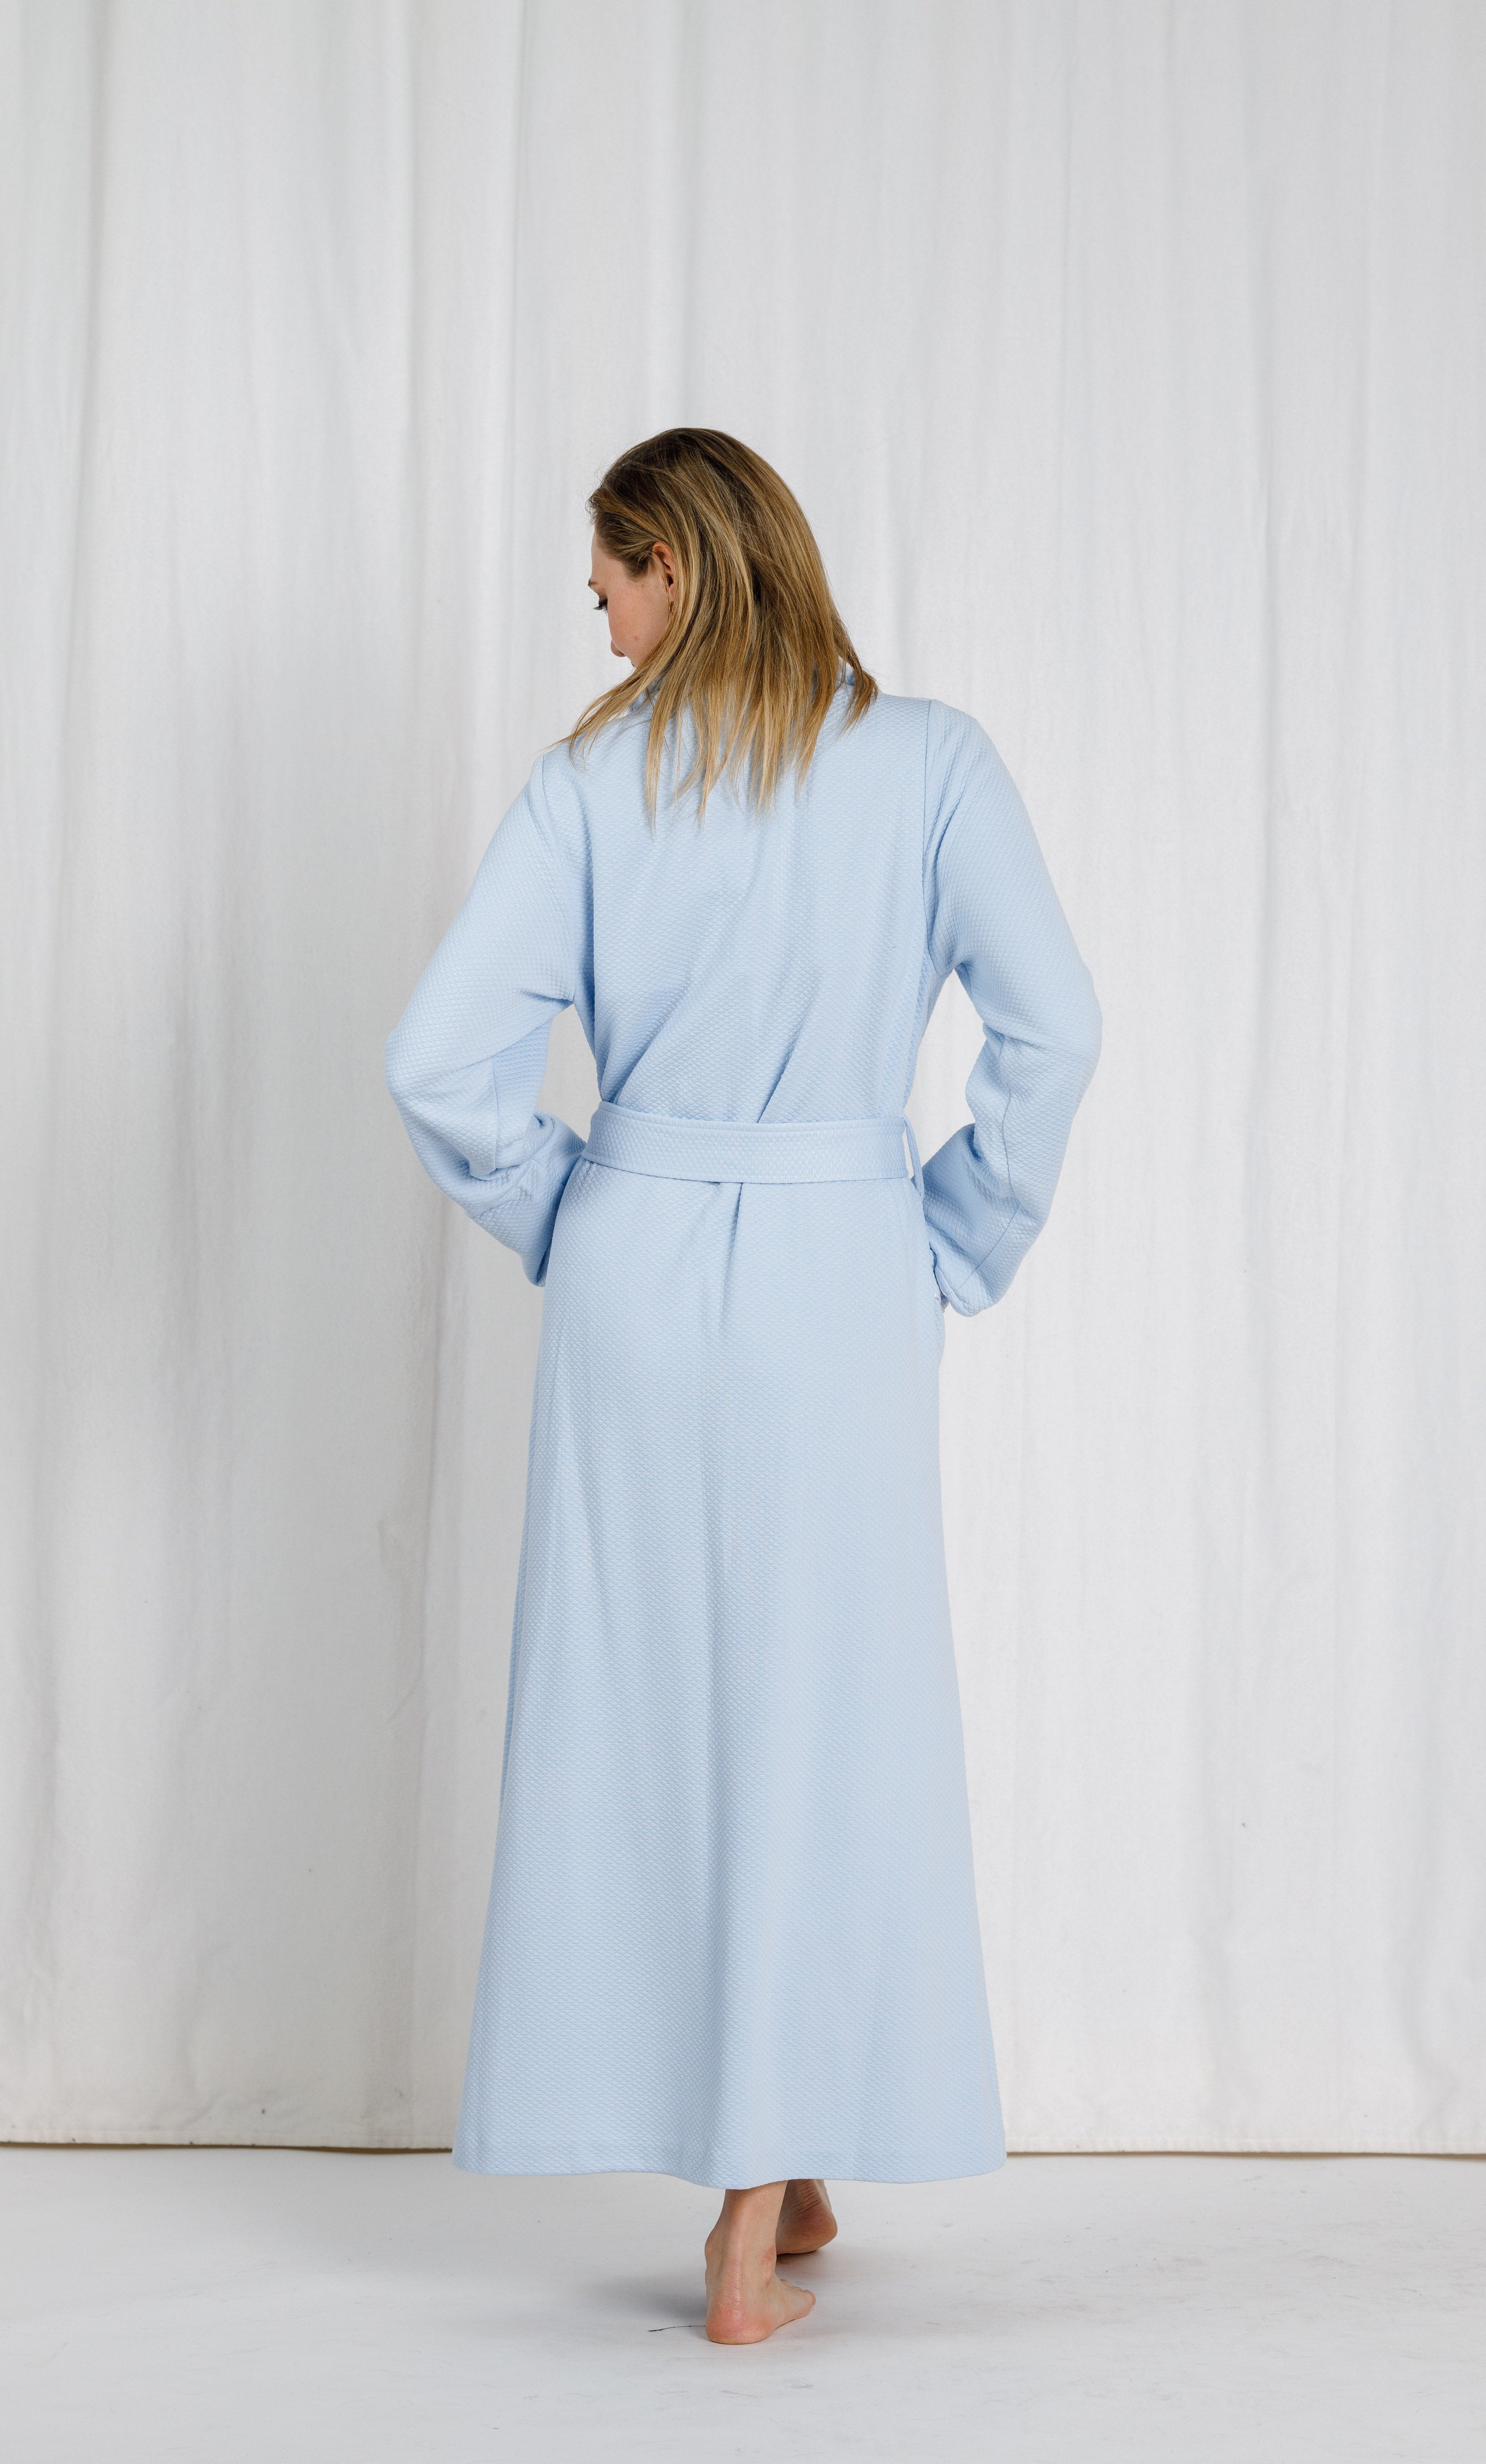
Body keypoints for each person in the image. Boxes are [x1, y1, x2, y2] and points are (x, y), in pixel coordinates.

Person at [384, 428, 1101, 2344]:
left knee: (645, 1714)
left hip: (634, 1265)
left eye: (610, 581)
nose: (598, 617)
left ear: (683, 567)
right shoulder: (927, 762)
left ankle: (769, 2167)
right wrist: (956, 1235)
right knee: (819, 1716)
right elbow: (1055, 1025)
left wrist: (567, 1210)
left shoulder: (590, 784)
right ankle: (752, 2203)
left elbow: (439, 1062)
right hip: (837, 1275)